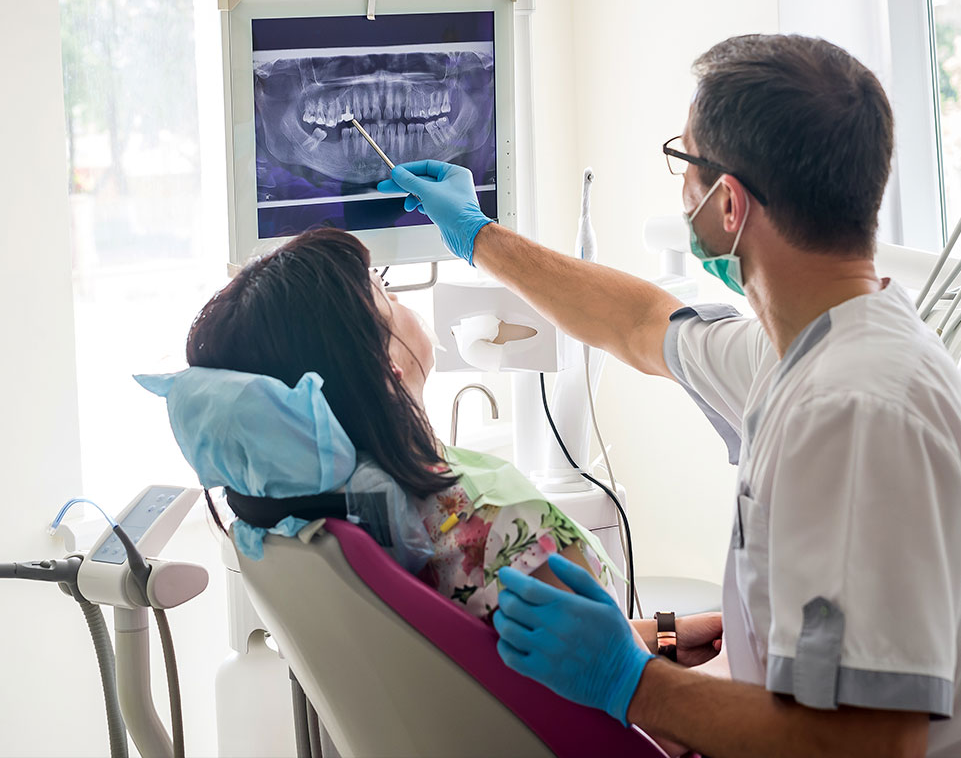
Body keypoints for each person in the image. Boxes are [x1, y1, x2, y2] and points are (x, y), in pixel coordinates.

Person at [375, 33, 961, 758]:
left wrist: (633, 681)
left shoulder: (853, 408)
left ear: (727, 205)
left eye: (682, 162)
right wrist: (477, 237)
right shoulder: (800, 350)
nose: (677, 185)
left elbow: (875, 741)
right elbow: (638, 323)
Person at [148, 226, 711, 662]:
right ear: (389, 368)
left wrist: (665, 635)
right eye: (387, 294)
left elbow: (542, 649)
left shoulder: (319, 523)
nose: (401, 301)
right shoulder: (494, 532)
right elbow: (619, 690)